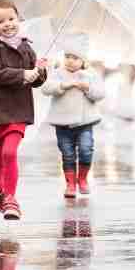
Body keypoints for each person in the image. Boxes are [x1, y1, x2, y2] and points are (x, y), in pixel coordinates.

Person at [0, 0, 48, 220]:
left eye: (11, 18)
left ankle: (11, 199)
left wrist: (39, 72)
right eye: (1, 21)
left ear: (18, 18)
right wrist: (23, 74)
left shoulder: (26, 47)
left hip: (18, 110)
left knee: (9, 153)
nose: (7, 24)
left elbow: (34, 81)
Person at [40, 33, 105, 198]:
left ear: (83, 61)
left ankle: (82, 179)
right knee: (67, 153)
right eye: (67, 56)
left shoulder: (90, 75)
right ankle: (70, 183)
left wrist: (87, 88)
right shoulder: (58, 73)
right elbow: (46, 88)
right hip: (62, 123)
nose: (70, 60)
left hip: (85, 122)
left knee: (86, 149)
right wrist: (62, 85)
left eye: (75, 58)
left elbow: (100, 94)